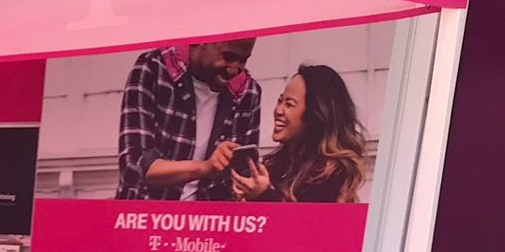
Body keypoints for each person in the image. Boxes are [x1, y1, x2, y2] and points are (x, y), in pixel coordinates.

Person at [116, 39, 261, 202]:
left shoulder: (248, 92)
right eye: (228, 57)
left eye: (243, 60)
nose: (235, 69)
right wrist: (206, 167)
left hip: (207, 223)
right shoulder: (152, 69)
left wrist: (249, 184)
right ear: (201, 41)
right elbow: (134, 167)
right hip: (146, 218)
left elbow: (243, 175)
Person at [232, 64, 369, 204]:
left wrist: (262, 195)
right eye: (280, 101)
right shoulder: (275, 165)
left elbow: (304, 223)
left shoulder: (333, 173)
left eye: (289, 104)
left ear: (314, 115)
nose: (278, 110)